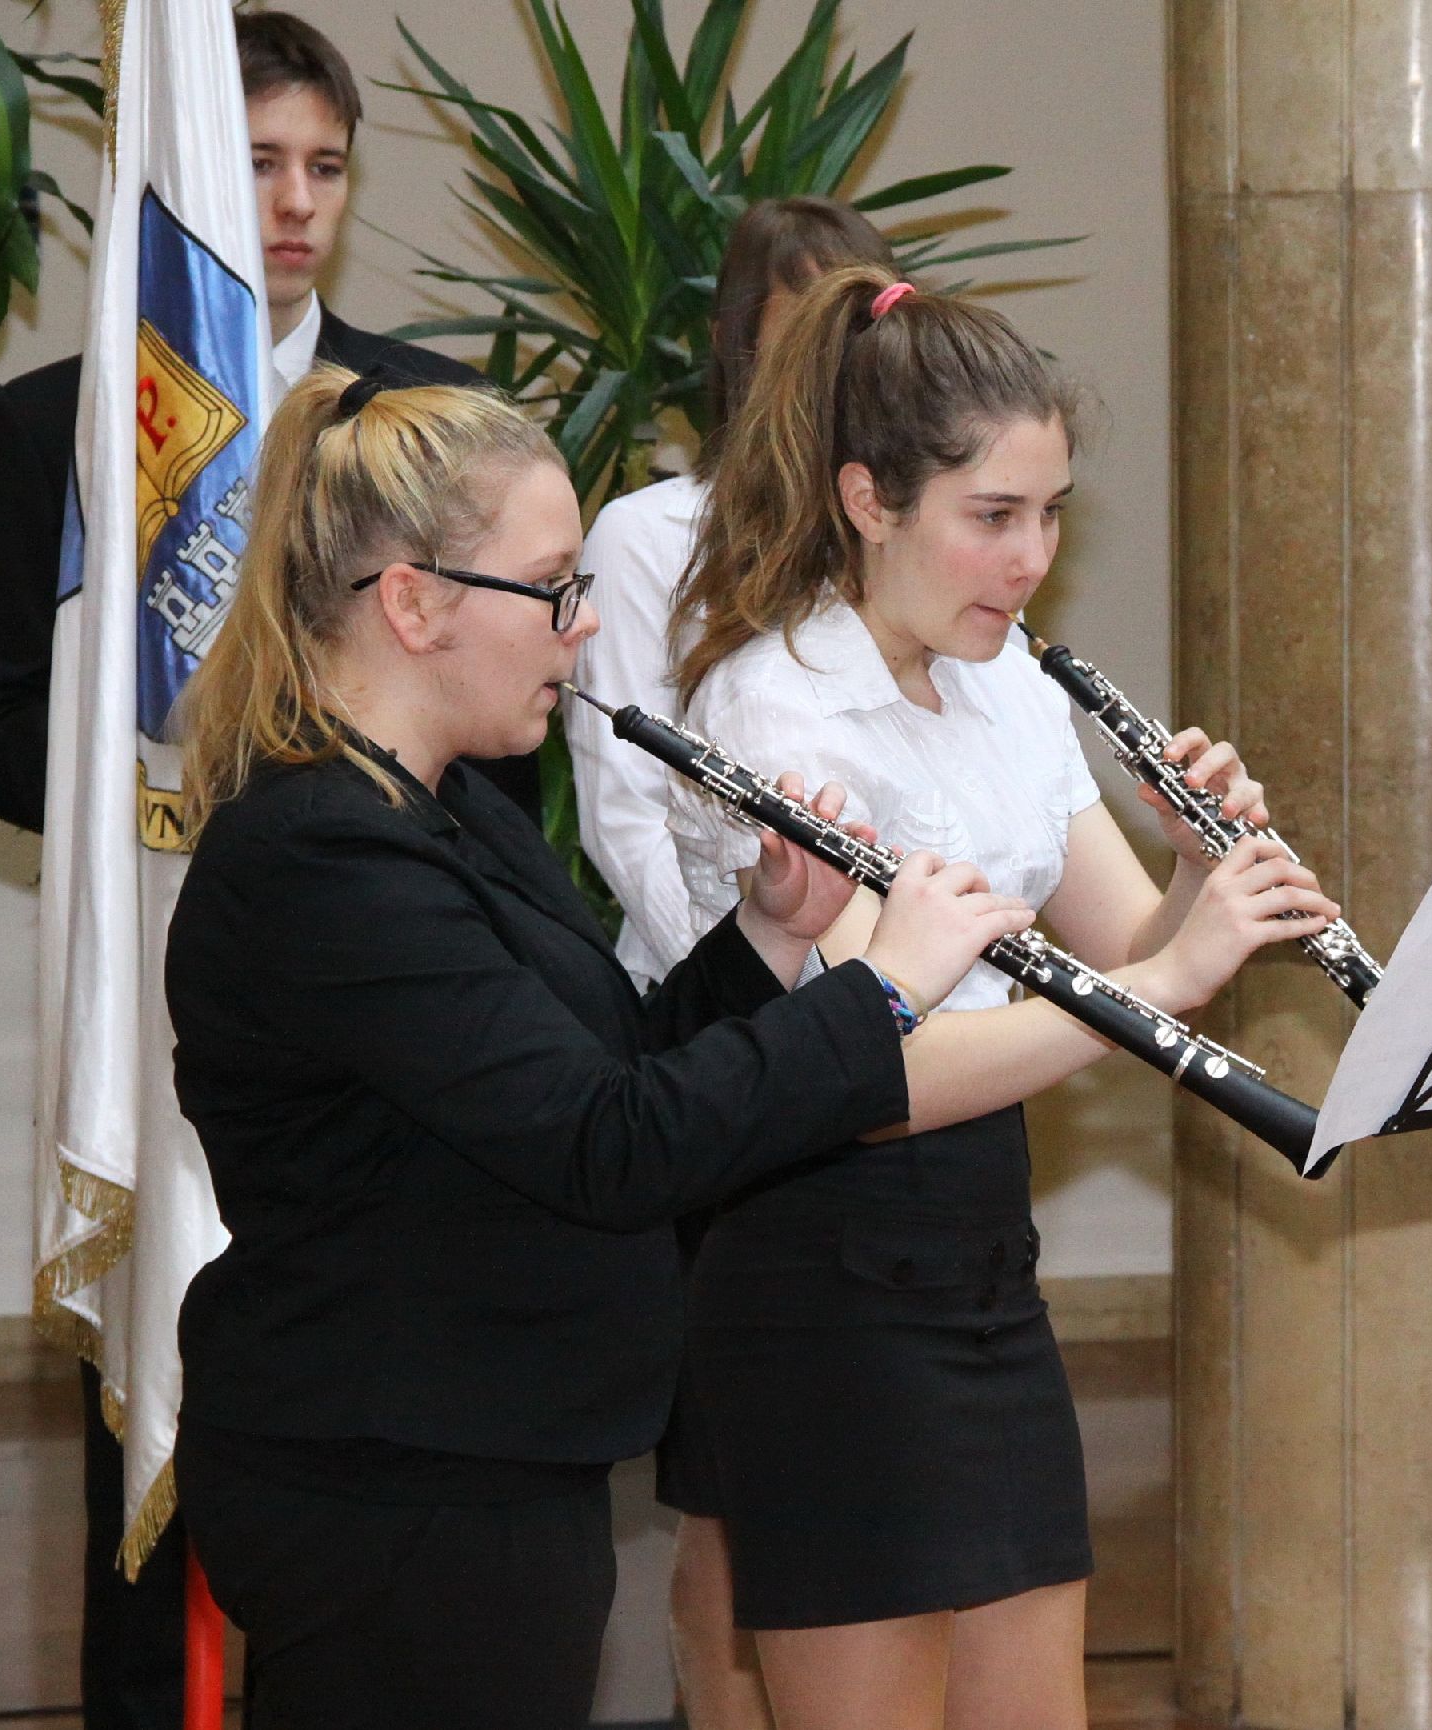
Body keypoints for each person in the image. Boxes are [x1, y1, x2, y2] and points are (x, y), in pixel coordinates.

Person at [163, 365, 1031, 1730]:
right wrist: (882, 994)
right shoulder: (322, 854)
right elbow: (608, 1148)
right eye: (553, 588)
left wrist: (769, 935)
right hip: (392, 1482)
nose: (585, 627)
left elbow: (612, 1069)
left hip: (487, 1455)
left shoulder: (457, 813)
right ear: (414, 603)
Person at [666, 266, 1338, 1730]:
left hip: (981, 1260)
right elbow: (873, 1080)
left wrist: (1197, 872)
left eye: (1050, 514)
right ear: (868, 500)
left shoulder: (1007, 679)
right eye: (992, 516)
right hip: (825, 1270)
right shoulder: (775, 708)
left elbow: (1126, 946)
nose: (1031, 558)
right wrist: (1161, 977)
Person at [0, 18, 495, 1730]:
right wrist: (133, 785)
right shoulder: (56, 422)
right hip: (150, 989)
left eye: (325, 166)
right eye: (257, 163)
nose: (293, 203)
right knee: (148, 1425)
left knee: (361, 1434)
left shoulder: (420, 418)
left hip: (368, 1000)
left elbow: (496, 725)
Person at [564, 195, 894, 1730]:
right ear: (736, 351)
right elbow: (628, 799)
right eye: (792, 335)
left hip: (872, 1036)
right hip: (716, 1035)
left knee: (854, 1477)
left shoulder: (897, 537)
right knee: (732, 1483)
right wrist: (760, 974)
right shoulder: (651, 534)